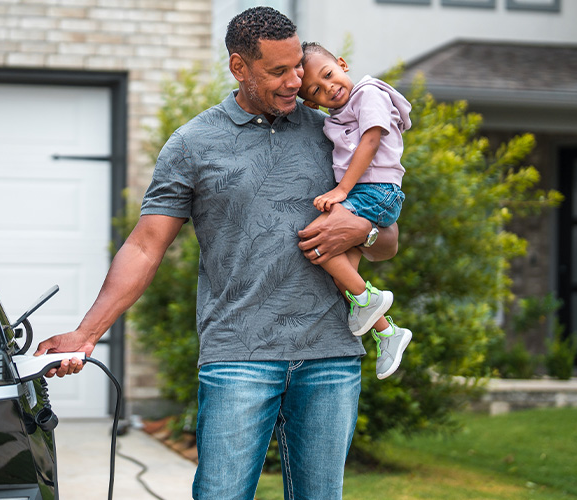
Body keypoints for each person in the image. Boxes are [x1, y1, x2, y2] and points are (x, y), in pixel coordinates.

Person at [36, 7, 397, 499]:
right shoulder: (194, 143)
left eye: (298, 66)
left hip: (329, 353)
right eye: (278, 71)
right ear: (239, 67)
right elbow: (145, 245)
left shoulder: (334, 131)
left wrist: (362, 230)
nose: (296, 81)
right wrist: (86, 333)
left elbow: (387, 242)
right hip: (238, 355)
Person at [296, 42, 414, 380]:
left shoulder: (368, 93)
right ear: (311, 103)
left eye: (328, 74)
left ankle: (369, 298)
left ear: (342, 64)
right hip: (367, 192)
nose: (328, 88)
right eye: (316, 90)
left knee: (315, 240)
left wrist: (342, 191)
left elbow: (371, 140)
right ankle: (388, 333)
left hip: (375, 191)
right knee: (343, 276)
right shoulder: (335, 117)